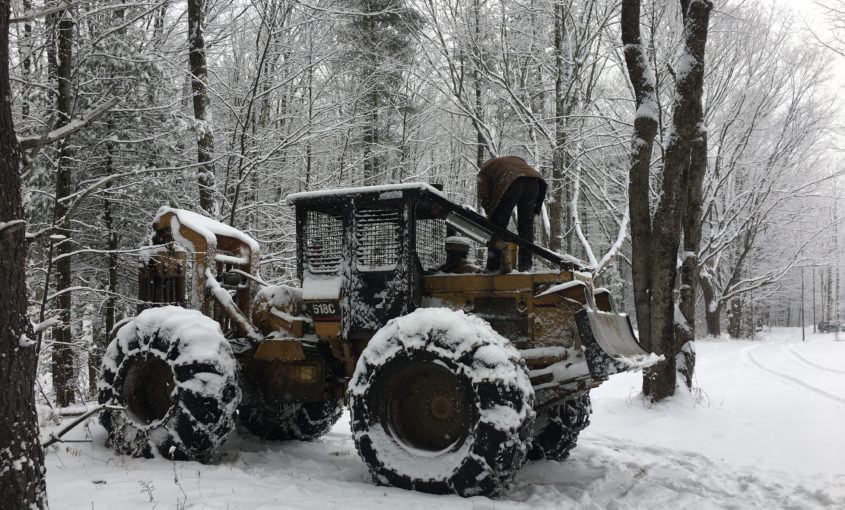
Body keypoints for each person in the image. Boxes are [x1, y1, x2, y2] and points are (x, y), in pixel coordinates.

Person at [477, 156, 546, 272]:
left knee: (497, 227)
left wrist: (490, 213)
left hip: (512, 181)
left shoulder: (484, 170)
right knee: (526, 228)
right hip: (535, 182)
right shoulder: (515, 161)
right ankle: (526, 267)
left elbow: (484, 195)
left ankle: (493, 267)